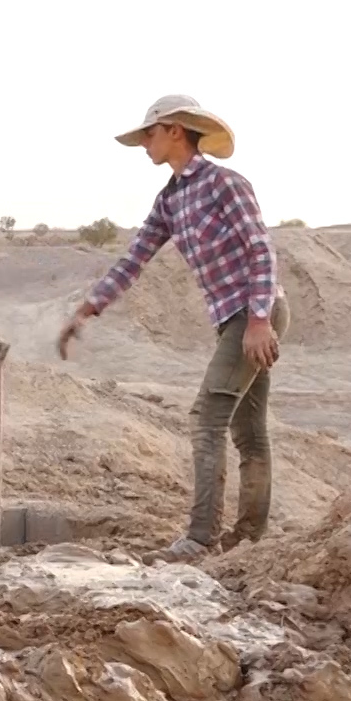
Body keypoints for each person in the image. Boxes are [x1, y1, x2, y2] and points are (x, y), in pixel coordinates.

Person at [57, 95, 288, 562]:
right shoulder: (170, 200)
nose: (145, 144)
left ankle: (201, 540)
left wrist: (259, 320)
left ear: (175, 131)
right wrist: (88, 308)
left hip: (254, 312)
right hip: (233, 318)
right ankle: (249, 540)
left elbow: (261, 250)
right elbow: (134, 258)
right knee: (248, 430)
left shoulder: (225, 184)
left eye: (150, 134)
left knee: (207, 419)